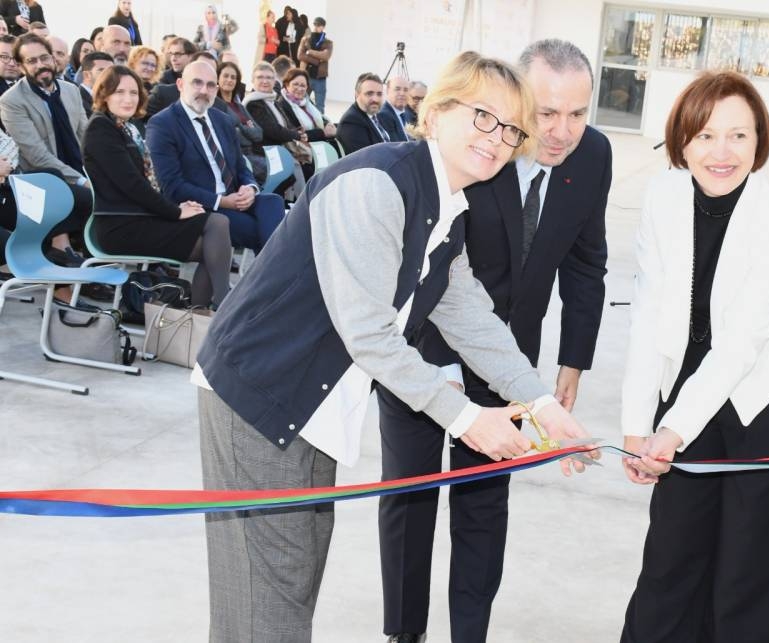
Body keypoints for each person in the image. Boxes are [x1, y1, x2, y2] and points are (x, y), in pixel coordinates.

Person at [195, 49, 595, 643]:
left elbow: (470, 316)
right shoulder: (378, 185)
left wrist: (541, 404)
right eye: (483, 115)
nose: (497, 137)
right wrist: (468, 419)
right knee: (265, 599)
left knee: (289, 582)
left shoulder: (446, 207)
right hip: (260, 395)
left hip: (309, 406)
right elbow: (371, 334)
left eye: (511, 129)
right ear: (437, 111)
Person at [377, 39, 612, 643]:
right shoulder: (477, 148)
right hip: (425, 349)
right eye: (545, 113)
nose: (561, 132)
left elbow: (587, 262)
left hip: (510, 360)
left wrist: (573, 360)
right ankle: (405, 633)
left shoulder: (594, 158)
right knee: (411, 497)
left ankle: (468, 634)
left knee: (484, 504)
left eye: (578, 114)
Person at [619, 70, 769, 643]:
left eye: (739, 135)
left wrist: (673, 430)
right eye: (705, 135)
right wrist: (639, 427)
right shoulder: (662, 197)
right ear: (682, 139)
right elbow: (649, 312)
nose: (721, 152)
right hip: (691, 379)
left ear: (760, 141)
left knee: (747, 568)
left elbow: (742, 345)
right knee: (671, 553)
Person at [83, 64, 231, 308]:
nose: (128, 99)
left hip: (140, 218)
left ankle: (202, 313)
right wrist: (176, 212)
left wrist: (178, 206)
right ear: (104, 94)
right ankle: (222, 308)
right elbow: (133, 186)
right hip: (120, 227)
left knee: (217, 232)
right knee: (216, 229)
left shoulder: (126, 127)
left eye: (133, 93)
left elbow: (144, 185)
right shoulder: (101, 129)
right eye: (120, 92)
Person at [146, 60, 284, 255]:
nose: (204, 90)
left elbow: (241, 167)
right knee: (265, 231)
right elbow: (172, 186)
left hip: (236, 199)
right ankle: (275, 277)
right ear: (180, 85)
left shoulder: (223, 120)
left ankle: (270, 278)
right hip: (202, 207)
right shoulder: (163, 124)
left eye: (211, 85)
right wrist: (223, 202)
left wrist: (250, 188)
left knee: (273, 202)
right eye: (197, 83)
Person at [0, 32, 91, 266]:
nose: (40, 65)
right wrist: (83, 181)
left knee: (110, 193)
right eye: (31, 61)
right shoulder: (12, 101)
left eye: (44, 58)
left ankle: (89, 260)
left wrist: (96, 175)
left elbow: (86, 138)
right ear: (21, 66)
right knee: (86, 196)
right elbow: (36, 156)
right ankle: (66, 259)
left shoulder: (71, 91)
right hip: (40, 180)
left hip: (76, 171)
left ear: (53, 58)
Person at [243, 60, 312, 181]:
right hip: (264, 152)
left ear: (274, 81)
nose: (265, 81)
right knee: (293, 175)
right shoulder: (253, 103)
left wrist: (298, 133)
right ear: (253, 80)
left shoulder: (273, 100)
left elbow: (287, 124)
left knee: (308, 167)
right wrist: (297, 135)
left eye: (269, 78)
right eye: (260, 77)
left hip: (280, 148)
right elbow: (272, 130)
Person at [217, 60, 266, 184]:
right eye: (226, 76)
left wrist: (240, 126)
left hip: (254, 152)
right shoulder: (216, 105)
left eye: (233, 77)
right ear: (217, 78)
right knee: (270, 171)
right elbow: (236, 136)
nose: (229, 80)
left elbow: (259, 134)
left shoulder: (239, 106)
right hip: (240, 156)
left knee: (285, 169)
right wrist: (246, 125)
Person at [278, 68, 337, 143]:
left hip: (319, 143)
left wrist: (327, 124)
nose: (299, 88)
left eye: (303, 86)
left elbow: (320, 117)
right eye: (295, 84)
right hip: (301, 148)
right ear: (287, 85)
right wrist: (323, 133)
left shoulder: (307, 101)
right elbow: (295, 134)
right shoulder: (282, 105)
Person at [337, 71, 390, 154]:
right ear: (357, 95)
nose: (375, 99)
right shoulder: (352, 121)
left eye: (379, 94)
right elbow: (365, 159)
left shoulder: (376, 116)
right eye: (369, 93)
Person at [296, 15, 330, 110]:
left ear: (323, 27)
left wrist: (310, 52)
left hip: (320, 78)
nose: (316, 27)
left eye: (319, 25)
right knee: (301, 103)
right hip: (306, 76)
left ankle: (320, 125)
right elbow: (300, 55)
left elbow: (326, 56)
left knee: (320, 106)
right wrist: (317, 60)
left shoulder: (328, 43)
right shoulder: (305, 39)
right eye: (315, 24)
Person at [77, 51, 114, 116]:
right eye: (101, 70)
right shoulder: (77, 100)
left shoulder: (111, 99)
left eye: (111, 71)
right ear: (87, 75)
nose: (109, 75)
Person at [378, 75, 409, 141]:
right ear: (387, 91)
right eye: (397, 89)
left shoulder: (404, 114)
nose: (402, 93)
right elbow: (395, 145)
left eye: (406, 90)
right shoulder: (384, 115)